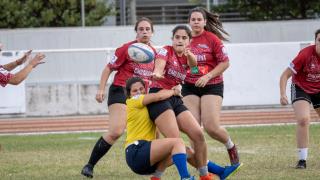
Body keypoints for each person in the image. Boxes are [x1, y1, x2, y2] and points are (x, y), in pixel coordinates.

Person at [149, 25, 242, 180]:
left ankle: (205, 176)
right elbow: (159, 66)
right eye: (177, 37)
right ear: (172, 40)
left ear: (189, 41)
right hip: (159, 95)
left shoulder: (189, 56)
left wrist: (190, 55)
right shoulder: (166, 50)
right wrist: (157, 73)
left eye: (184, 38)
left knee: (198, 134)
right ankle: (161, 176)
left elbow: (193, 69)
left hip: (174, 97)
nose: (180, 40)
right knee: (175, 141)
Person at [81, 17, 156, 178]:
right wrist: (101, 89)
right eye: (141, 29)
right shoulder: (126, 49)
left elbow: (154, 78)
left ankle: (153, 168)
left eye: (147, 29)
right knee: (116, 131)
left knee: (154, 129)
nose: (144, 32)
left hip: (141, 97)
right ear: (136, 32)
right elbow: (108, 68)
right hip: (121, 91)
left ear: (152, 32)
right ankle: (89, 165)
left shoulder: (154, 54)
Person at [181, 7, 239, 165]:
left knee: (211, 127)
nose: (196, 22)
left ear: (205, 22)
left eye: (199, 19)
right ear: (189, 22)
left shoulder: (212, 39)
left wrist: (208, 76)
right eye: (193, 19)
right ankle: (202, 165)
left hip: (212, 85)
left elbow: (225, 62)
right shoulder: (184, 39)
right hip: (190, 86)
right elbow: (181, 64)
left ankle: (231, 146)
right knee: (194, 129)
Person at [125, 77, 195, 180]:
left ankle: (156, 177)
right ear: (129, 94)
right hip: (136, 151)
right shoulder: (133, 101)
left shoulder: (147, 106)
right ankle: (185, 178)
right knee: (177, 142)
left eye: (141, 89)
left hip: (147, 159)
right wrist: (174, 91)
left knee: (187, 151)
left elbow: (156, 134)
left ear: (145, 88)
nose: (139, 92)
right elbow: (159, 96)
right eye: (135, 91)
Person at [279, 29, 320, 169]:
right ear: (315, 42)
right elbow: (284, 75)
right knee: (303, 119)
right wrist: (283, 94)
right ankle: (302, 160)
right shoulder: (305, 54)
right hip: (301, 87)